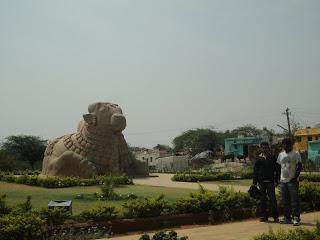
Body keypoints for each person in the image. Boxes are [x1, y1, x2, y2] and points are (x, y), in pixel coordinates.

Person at [277, 138, 302, 226]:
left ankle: (296, 218)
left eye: (287, 144)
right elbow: (278, 167)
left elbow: (299, 166)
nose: (285, 145)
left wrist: (295, 177)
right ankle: (287, 218)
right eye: (284, 144)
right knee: (285, 201)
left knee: (294, 201)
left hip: (292, 181)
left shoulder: (296, 153)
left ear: (291, 145)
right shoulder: (281, 154)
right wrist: (278, 179)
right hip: (283, 181)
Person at [253, 142, 280, 222]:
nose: (265, 149)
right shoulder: (258, 159)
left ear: (268, 148)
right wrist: (254, 182)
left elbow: (277, 170)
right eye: (263, 148)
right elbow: (255, 171)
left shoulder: (272, 158)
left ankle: (275, 216)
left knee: (272, 199)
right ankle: (264, 216)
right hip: (261, 182)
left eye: (266, 147)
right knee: (262, 199)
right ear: (261, 148)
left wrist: (276, 180)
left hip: (270, 181)